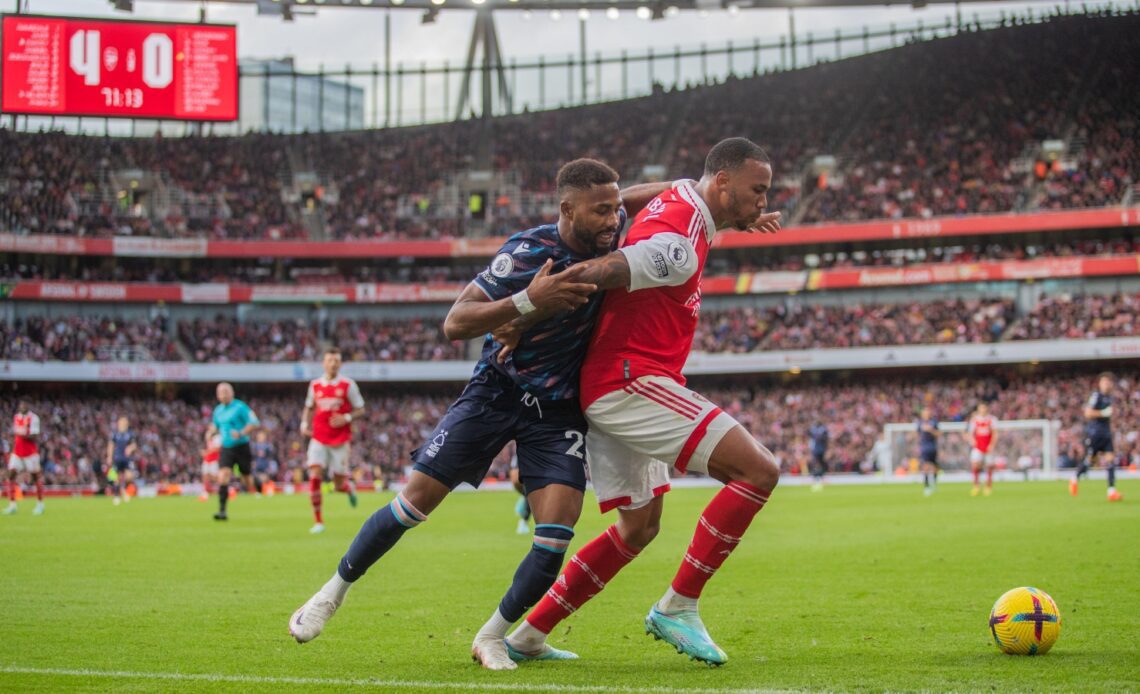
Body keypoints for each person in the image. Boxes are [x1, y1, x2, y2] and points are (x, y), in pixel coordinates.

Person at [287, 160, 673, 670]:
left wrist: (698, 190)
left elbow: (640, 198)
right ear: (567, 209)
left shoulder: (610, 228)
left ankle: (493, 636)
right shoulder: (527, 252)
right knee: (415, 502)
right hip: (497, 391)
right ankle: (331, 592)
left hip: (556, 410)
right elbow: (456, 321)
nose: (612, 221)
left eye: (614, 208)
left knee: (557, 531)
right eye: (601, 211)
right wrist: (526, 302)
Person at [504, 138, 783, 666]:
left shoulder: (682, 197)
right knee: (758, 472)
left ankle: (528, 636)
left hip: (620, 380)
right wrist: (520, 312)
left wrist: (731, 218)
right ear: (722, 183)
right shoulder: (677, 245)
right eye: (757, 190)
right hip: (629, 382)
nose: (762, 203)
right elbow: (603, 270)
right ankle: (678, 606)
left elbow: (640, 196)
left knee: (639, 527)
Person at [300, 347, 365, 534]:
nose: (333, 364)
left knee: (338, 485)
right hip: (318, 437)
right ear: (324, 362)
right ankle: (318, 521)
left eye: (336, 360)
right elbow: (309, 407)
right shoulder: (315, 385)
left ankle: (348, 488)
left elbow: (361, 409)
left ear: (340, 363)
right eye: (330, 360)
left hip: (340, 440)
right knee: (315, 475)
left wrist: (346, 418)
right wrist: (304, 423)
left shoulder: (348, 385)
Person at [207, 382, 261, 521]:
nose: (223, 394)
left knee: (246, 480)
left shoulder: (240, 407)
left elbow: (254, 422)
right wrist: (210, 432)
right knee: (223, 475)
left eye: (226, 391)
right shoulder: (218, 410)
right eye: (220, 392)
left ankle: (256, 482)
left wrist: (241, 432)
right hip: (226, 448)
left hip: (242, 446)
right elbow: (215, 425)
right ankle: (222, 511)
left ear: (232, 393)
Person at [1071, 372, 1121, 501]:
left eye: (1108, 382)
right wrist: (1102, 412)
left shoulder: (1110, 398)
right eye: (1104, 382)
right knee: (1090, 462)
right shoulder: (1096, 396)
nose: (1106, 384)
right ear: (1099, 384)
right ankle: (1075, 477)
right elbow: (1088, 413)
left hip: (1106, 434)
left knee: (1111, 461)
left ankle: (1111, 491)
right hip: (1095, 434)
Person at [4, 400, 44, 516]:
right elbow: (16, 436)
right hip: (17, 453)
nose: (22, 406)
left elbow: (34, 436)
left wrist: (23, 433)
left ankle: (40, 504)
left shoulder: (33, 418)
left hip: (30, 453)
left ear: (28, 406)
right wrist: (12, 448)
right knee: (10, 475)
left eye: (25, 404)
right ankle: (12, 505)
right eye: (21, 405)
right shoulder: (16, 417)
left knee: (36, 477)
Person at [106, 416, 138, 506]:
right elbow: (111, 445)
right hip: (117, 458)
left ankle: (123, 491)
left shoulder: (130, 434)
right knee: (116, 478)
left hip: (127, 459)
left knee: (129, 476)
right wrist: (109, 456)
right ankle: (117, 496)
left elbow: (134, 445)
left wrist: (130, 448)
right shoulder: (115, 434)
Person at [968, 401, 998, 496]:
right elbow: (970, 433)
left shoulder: (992, 419)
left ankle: (988, 486)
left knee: (989, 466)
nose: (983, 410)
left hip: (988, 446)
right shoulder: (974, 420)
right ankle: (976, 486)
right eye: (981, 408)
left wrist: (992, 445)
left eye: (984, 408)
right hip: (978, 446)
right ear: (978, 409)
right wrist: (972, 441)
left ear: (987, 409)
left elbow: (995, 433)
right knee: (975, 465)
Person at [917, 406, 940, 496]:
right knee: (925, 466)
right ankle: (926, 486)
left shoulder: (933, 422)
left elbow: (938, 434)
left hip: (933, 447)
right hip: (924, 448)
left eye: (927, 412)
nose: (926, 414)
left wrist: (931, 430)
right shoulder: (919, 423)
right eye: (924, 413)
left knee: (934, 466)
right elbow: (918, 434)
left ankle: (934, 483)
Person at [199, 432, 222, 503]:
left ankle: (223, 489)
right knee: (205, 476)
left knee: (214, 477)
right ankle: (205, 491)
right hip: (207, 460)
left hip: (213, 461)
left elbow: (217, 449)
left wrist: (206, 452)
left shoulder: (216, 439)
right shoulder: (208, 442)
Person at [808, 421, 829, 491]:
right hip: (817, 449)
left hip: (820, 449)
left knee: (821, 463)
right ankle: (816, 477)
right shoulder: (815, 430)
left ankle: (820, 477)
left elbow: (825, 439)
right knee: (817, 463)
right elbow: (809, 434)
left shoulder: (823, 430)